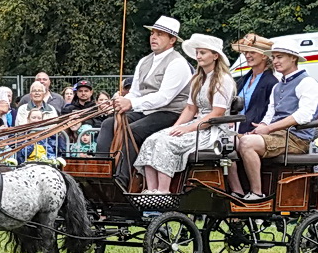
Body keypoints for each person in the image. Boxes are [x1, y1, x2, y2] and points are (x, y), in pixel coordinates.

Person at [135, 35, 235, 191]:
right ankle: (150, 191)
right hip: (197, 125)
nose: (198, 56)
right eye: (197, 53)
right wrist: (174, 128)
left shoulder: (223, 79)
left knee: (165, 143)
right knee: (151, 140)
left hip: (213, 131)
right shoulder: (197, 78)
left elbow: (217, 113)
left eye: (203, 52)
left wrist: (187, 129)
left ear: (215, 56)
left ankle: (163, 191)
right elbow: (190, 109)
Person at [96, 15, 192, 172]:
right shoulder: (144, 61)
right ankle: (101, 170)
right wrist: (120, 102)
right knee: (108, 123)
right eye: (152, 33)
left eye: (159, 34)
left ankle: (123, 179)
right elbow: (134, 92)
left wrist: (131, 103)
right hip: (146, 112)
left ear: (172, 40)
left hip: (170, 113)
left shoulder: (178, 63)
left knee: (131, 131)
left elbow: (164, 97)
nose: (153, 37)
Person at [235, 41, 318, 201]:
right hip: (278, 136)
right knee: (232, 141)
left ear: (293, 58)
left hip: (297, 139)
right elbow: (270, 113)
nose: (275, 61)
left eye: (280, 57)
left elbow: (304, 115)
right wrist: (261, 126)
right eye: (274, 57)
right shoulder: (278, 86)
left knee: (247, 143)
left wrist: (268, 129)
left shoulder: (307, 82)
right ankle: (238, 191)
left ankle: (257, 194)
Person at [231, 34, 277, 133]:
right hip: (233, 128)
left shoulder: (271, 83)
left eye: (252, 52)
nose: (247, 56)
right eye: (246, 52)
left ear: (264, 56)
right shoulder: (242, 80)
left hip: (252, 131)